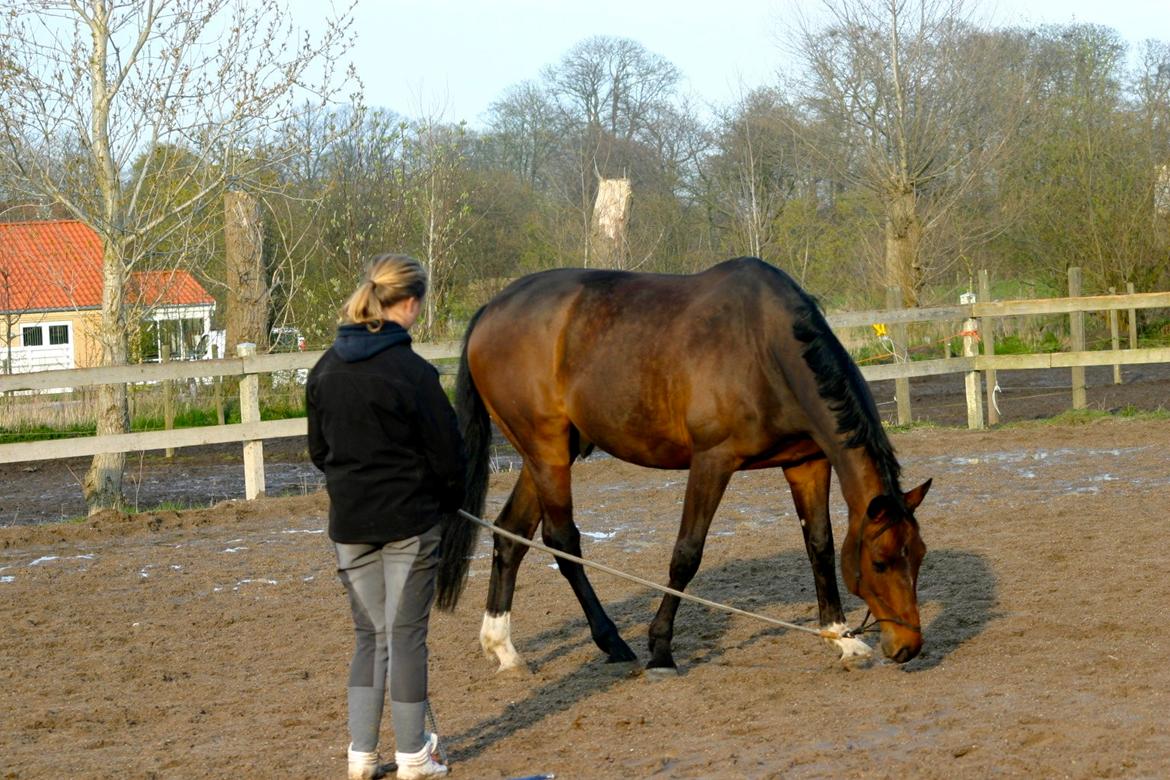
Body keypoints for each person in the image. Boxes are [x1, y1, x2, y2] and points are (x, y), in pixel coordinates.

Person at [307, 254, 465, 780]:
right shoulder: (413, 373)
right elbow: (449, 454)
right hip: (410, 525)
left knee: (370, 637)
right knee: (405, 637)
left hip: (349, 526)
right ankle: (415, 755)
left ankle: (362, 754)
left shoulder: (324, 368)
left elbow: (318, 451)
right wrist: (446, 497)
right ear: (410, 303)